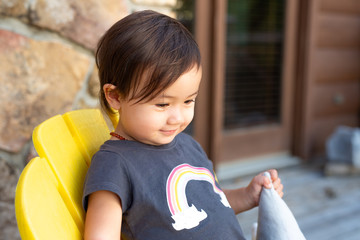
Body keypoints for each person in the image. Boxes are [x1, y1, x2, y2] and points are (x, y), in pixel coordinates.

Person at [82, 10, 283, 240]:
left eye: (188, 101)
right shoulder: (115, 164)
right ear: (115, 96)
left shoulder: (188, 145)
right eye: (162, 104)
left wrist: (247, 196)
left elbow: (210, 204)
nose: (177, 118)